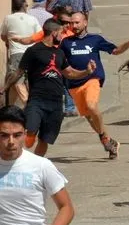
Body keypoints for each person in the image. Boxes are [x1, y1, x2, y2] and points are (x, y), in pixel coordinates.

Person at [1, 20, 95, 157]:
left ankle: (35, 165)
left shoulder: (60, 53)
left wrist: (86, 71)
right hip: (37, 100)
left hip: (56, 103)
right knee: (30, 130)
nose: (62, 36)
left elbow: (70, 73)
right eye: (61, 33)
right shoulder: (33, 51)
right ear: (54, 32)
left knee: (45, 139)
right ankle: (19, 157)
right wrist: (4, 88)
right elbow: (18, 72)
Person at [60, 11, 129, 159]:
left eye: (77, 22)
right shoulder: (66, 42)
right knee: (89, 117)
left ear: (85, 23)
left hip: (92, 79)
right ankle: (109, 140)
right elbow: (59, 60)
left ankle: (103, 138)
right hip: (73, 84)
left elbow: (115, 50)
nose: (74, 25)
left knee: (91, 106)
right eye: (71, 23)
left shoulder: (95, 39)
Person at [1, 0, 42, 106]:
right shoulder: (32, 19)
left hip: (16, 53)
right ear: (24, 6)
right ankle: (10, 109)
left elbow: (3, 36)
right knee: (24, 81)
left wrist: (10, 41)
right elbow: (39, 35)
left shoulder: (8, 18)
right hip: (32, 53)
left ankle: (29, 106)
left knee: (17, 80)